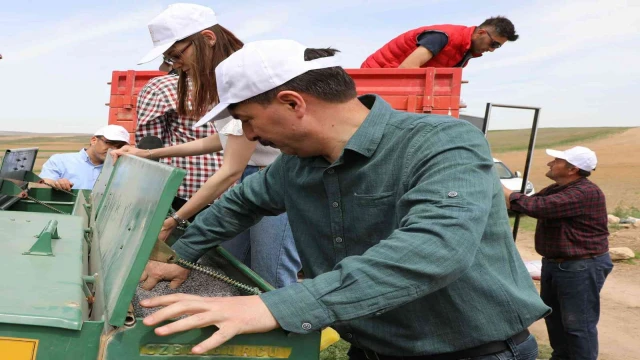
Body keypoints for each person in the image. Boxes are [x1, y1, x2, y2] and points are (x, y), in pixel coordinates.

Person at [137, 39, 550, 359]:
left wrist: (275, 306)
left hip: (474, 352)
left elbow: (436, 249)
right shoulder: (293, 165)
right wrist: (180, 255)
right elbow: (239, 204)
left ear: (293, 103)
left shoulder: (442, 143)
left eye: (246, 120)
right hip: (370, 348)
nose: (247, 136)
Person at [124, 3, 301, 288]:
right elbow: (224, 140)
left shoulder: (243, 75)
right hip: (249, 180)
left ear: (207, 38)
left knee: (271, 271)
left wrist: (177, 219)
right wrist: (150, 152)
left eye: (176, 55)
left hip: (277, 177)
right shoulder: (219, 80)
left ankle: (295, 330)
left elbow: (230, 169)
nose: (173, 64)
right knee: (230, 267)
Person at [503, 146, 612, 360]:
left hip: (580, 266)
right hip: (560, 265)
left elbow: (537, 207)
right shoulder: (558, 188)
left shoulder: (583, 192)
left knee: (577, 324)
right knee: (555, 319)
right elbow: (524, 206)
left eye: (556, 161)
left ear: (572, 169)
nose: (550, 163)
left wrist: (500, 188)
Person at [361, 16, 518, 69]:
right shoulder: (445, 37)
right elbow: (407, 68)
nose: (492, 50)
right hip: (376, 77)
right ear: (481, 33)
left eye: (497, 47)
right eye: (494, 44)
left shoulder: (464, 52)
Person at [39, 125, 129, 190]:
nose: (114, 150)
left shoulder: (122, 170)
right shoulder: (60, 161)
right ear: (94, 140)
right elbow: (43, 186)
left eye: (119, 147)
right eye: (110, 143)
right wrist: (56, 184)